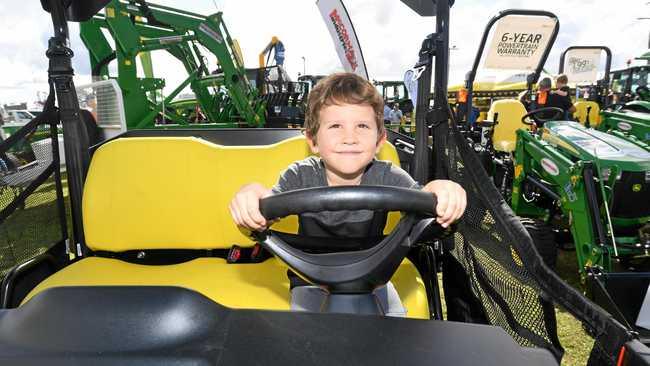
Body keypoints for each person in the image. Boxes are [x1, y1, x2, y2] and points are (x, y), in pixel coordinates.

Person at [230, 72, 466, 239]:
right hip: (310, 278)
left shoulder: (386, 175)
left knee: (397, 311)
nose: (349, 137)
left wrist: (441, 188)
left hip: (375, 276)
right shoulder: (300, 176)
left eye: (362, 126)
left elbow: (422, 200)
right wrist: (251, 195)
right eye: (335, 126)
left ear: (379, 141)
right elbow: (266, 208)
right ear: (312, 140)